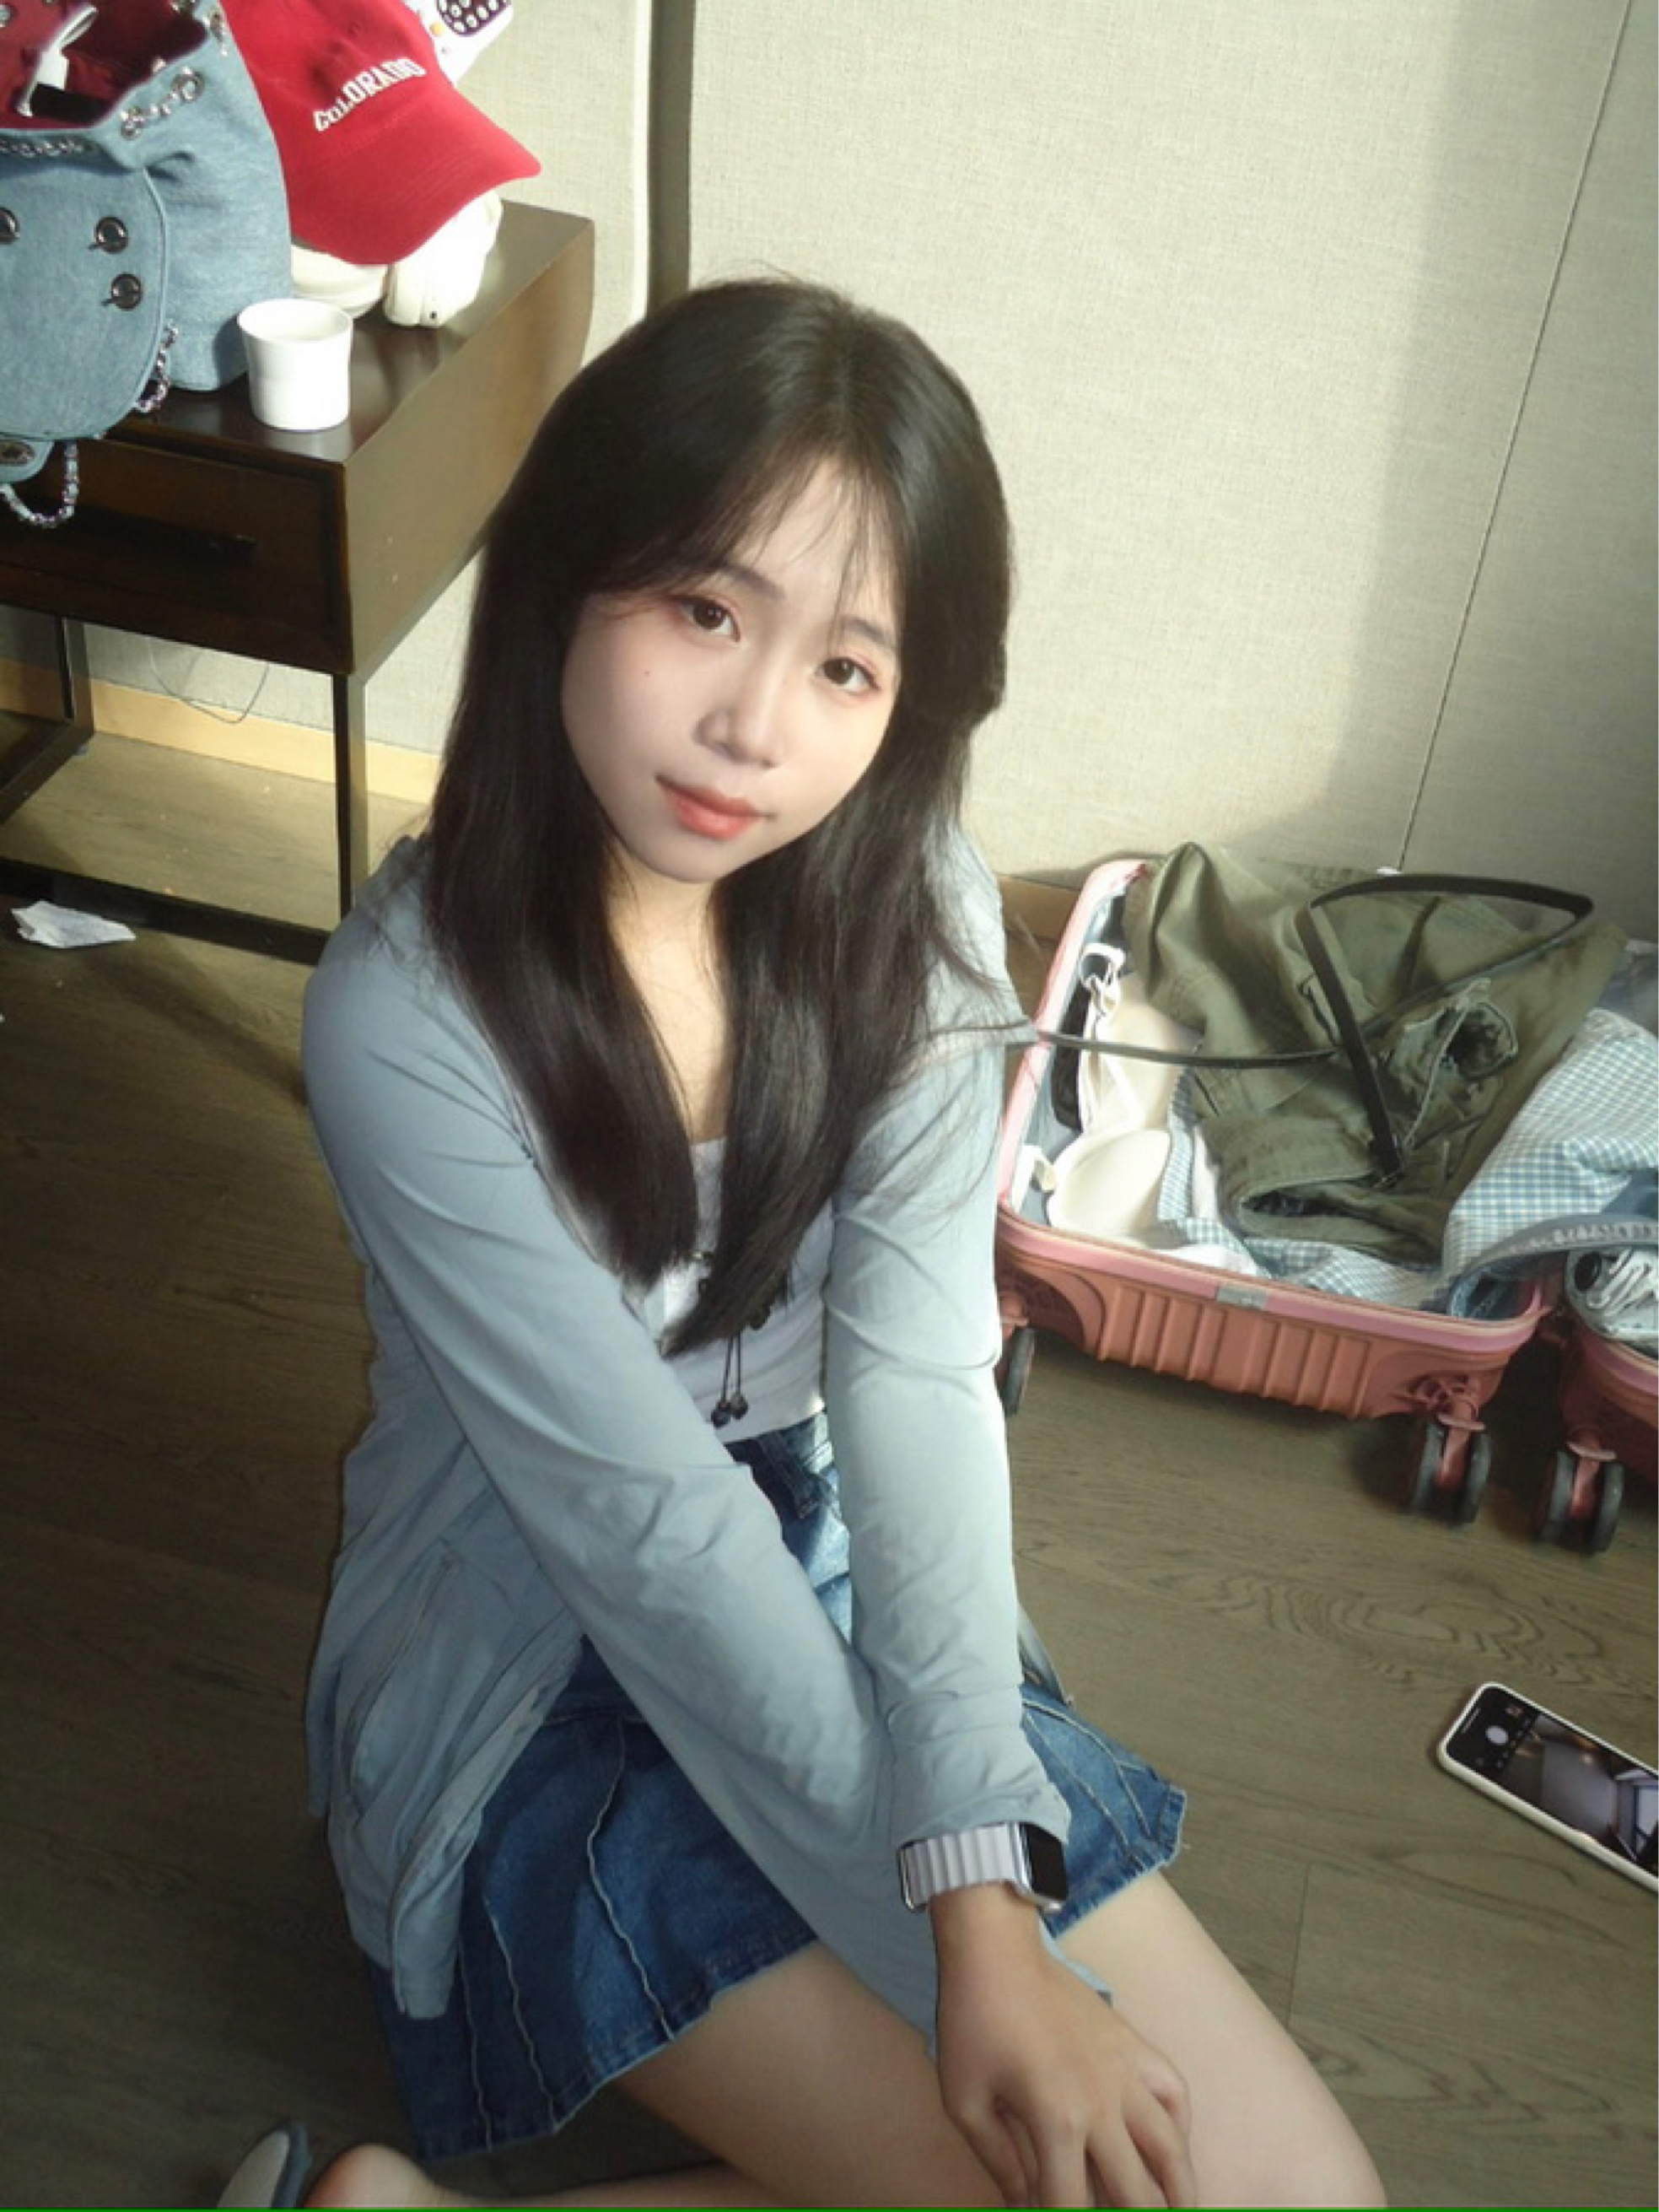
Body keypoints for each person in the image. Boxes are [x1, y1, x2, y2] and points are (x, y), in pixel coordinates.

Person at [242, 278, 1386, 2209]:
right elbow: (644, 1534)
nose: (754, 728)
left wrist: (975, 1875)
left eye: (847, 667)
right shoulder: (404, 1020)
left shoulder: (908, 899)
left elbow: (919, 1378)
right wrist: (980, 1954)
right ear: (564, 579)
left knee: (1307, 2202)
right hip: (532, 1666)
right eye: (704, 610)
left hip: (833, 1583)